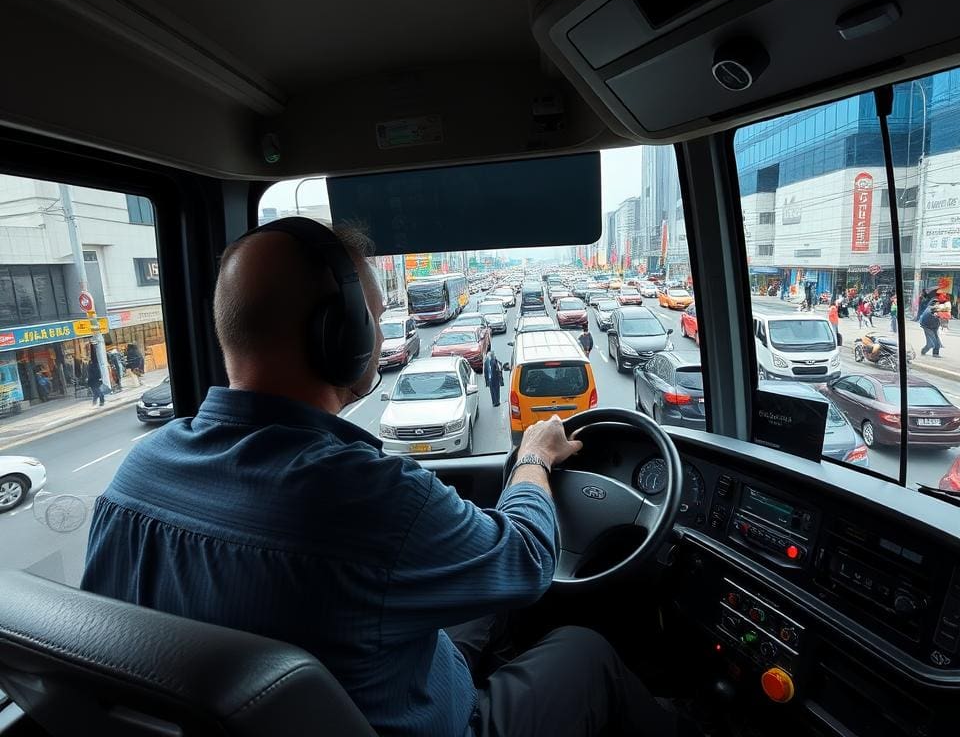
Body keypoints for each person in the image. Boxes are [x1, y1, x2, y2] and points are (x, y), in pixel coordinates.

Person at [80, 221, 684, 737]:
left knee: (478, 612)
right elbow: (526, 559)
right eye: (372, 317)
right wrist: (534, 459)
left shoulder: (134, 476)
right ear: (341, 336)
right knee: (585, 654)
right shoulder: (369, 494)